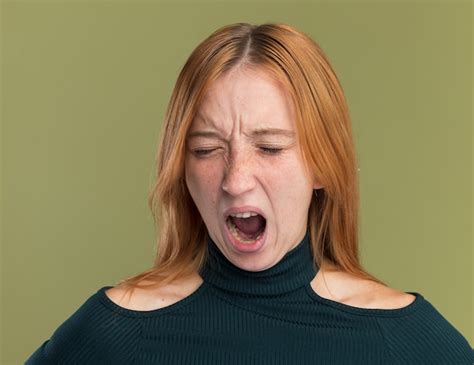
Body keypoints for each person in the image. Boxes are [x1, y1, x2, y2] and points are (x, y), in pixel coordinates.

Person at [25, 22, 472, 364]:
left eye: (270, 147)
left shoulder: (400, 337)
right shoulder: (116, 331)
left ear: (324, 163)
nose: (235, 180)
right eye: (206, 149)